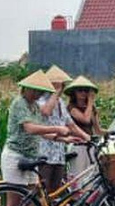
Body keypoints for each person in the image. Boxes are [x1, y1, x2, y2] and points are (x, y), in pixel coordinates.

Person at [1, 70, 70, 206]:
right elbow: (30, 128)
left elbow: (42, 132)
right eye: (37, 91)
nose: (39, 95)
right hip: (15, 156)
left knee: (28, 202)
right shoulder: (19, 103)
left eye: (41, 92)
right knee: (14, 203)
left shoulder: (33, 107)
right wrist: (56, 128)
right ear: (28, 89)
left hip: (30, 157)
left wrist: (63, 139)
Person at [37, 66, 89, 195]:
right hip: (45, 155)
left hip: (59, 155)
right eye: (59, 83)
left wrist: (86, 136)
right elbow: (46, 112)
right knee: (44, 192)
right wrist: (55, 92)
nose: (62, 86)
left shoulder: (60, 102)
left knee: (56, 191)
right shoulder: (41, 101)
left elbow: (70, 124)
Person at [65, 76, 102, 177]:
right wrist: (90, 102)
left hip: (90, 144)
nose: (83, 93)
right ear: (74, 93)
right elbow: (85, 119)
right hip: (77, 145)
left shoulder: (91, 108)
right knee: (79, 175)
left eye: (86, 91)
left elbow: (97, 129)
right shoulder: (71, 108)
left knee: (92, 175)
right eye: (80, 91)